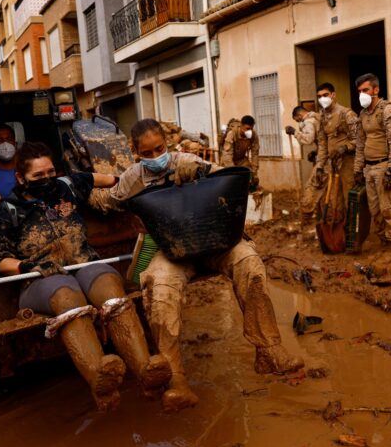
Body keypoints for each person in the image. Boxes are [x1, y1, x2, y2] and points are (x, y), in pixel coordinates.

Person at [89, 119, 304, 413]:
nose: (155, 157)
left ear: (168, 144)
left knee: (249, 262)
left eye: (160, 149)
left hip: (215, 239)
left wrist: (202, 174)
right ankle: (176, 380)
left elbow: (236, 182)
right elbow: (109, 201)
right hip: (173, 250)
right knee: (159, 287)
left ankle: (269, 349)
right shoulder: (132, 178)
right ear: (134, 151)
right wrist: (80, 189)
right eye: (147, 153)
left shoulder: (186, 160)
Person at [0, 142, 172, 411]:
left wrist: (142, 187)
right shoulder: (8, 210)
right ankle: (100, 380)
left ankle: (145, 372)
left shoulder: (68, 185)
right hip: (41, 279)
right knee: (67, 295)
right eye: (38, 176)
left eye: (50, 172)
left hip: (85, 264)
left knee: (110, 286)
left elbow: (110, 180)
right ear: (20, 178)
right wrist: (26, 267)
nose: (47, 179)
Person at [352, 73, 391, 246]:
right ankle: (385, 240)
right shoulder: (363, 114)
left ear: (376, 89)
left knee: (389, 209)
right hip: (369, 169)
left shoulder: (387, 110)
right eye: (359, 91)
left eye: (366, 90)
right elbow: (360, 144)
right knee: (375, 211)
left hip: (385, 166)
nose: (362, 94)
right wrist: (358, 168)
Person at [313, 83, 359, 217]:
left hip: (348, 163)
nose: (322, 99)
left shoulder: (346, 114)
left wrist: (345, 147)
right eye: (319, 96)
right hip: (332, 164)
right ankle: (338, 232)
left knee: (348, 196)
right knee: (333, 199)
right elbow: (322, 144)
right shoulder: (322, 116)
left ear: (333, 95)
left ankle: (352, 231)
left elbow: (360, 139)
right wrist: (320, 165)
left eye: (325, 95)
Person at [288, 106, 322, 217]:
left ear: (299, 115)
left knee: (312, 185)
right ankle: (318, 211)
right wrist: (316, 152)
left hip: (326, 159)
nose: (299, 122)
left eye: (297, 120)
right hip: (323, 154)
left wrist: (294, 132)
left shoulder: (308, 121)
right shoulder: (317, 117)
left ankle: (307, 211)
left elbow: (308, 139)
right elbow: (322, 140)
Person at [221, 115, 260, 187]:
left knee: (250, 177)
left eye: (251, 129)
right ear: (241, 126)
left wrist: (254, 173)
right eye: (247, 128)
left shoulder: (253, 135)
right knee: (230, 182)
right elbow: (227, 156)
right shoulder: (232, 134)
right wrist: (234, 172)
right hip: (228, 161)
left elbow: (255, 154)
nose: (250, 131)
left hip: (241, 160)